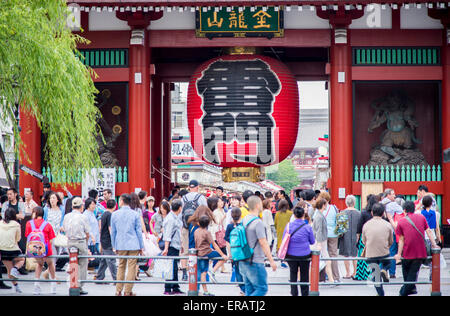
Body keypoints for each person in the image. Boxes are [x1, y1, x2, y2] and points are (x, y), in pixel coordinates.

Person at [394, 201, 439, 296]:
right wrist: (434, 244)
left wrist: (398, 253)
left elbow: (401, 240)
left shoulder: (401, 221)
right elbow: (429, 232)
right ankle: (411, 289)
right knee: (412, 273)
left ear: (404, 210)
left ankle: (403, 292)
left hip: (407, 251)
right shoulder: (421, 217)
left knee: (407, 273)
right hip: (420, 251)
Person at [238, 195, 277, 296]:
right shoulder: (258, 222)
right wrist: (271, 260)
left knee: (249, 289)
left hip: (243, 259)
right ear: (257, 205)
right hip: (255, 260)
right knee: (262, 288)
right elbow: (263, 242)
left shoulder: (243, 220)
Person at [110, 193, 144, 296]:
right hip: (133, 243)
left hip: (120, 243)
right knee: (132, 267)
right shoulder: (135, 214)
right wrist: (141, 246)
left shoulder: (115, 214)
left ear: (121, 201)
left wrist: (114, 245)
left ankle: (118, 290)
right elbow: (139, 231)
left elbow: (113, 232)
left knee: (121, 266)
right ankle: (128, 291)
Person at [362, 202, 393, 296]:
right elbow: (390, 241)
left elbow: (364, 241)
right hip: (384, 252)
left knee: (375, 274)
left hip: (371, 254)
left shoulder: (366, 225)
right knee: (388, 263)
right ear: (383, 213)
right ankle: (384, 269)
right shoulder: (387, 225)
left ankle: (381, 293)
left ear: (372, 213)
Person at [283, 205, 315, 296]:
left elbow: (284, 240)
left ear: (294, 215)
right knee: (304, 275)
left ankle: (294, 293)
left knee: (293, 273)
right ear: (303, 215)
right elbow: (312, 242)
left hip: (291, 254)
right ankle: (305, 293)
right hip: (304, 254)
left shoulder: (288, 226)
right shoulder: (307, 227)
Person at [25, 206, 57, 295]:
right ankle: (53, 285)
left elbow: (27, 235)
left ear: (35, 213)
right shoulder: (47, 224)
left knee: (39, 264)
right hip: (46, 248)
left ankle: (36, 285)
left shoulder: (29, 223)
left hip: (33, 248)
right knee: (50, 264)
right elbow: (51, 239)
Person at [180, 180, 208, 281]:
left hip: (185, 226)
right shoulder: (200, 198)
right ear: (197, 187)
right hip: (197, 227)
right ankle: (195, 270)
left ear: (189, 187)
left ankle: (184, 273)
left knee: (184, 250)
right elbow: (205, 212)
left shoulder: (184, 198)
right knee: (197, 249)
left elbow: (180, 213)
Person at [62, 197, 90, 295]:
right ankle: (79, 286)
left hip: (70, 242)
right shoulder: (83, 217)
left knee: (73, 263)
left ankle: (72, 283)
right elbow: (87, 232)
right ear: (81, 207)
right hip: (80, 242)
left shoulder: (66, 216)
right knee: (83, 264)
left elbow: (64, 229)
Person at [195, 215, 228, 296]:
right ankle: (213, 270)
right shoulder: (207, 232)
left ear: (199, 223)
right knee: (223, 258)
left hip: (199, 253)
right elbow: (214, 244)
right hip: (207, 252)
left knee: (202, 272)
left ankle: (205, 291)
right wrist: (223, 254)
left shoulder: (196, 231)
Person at [161, 199, 184, 295]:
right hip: (171, 246)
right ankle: (168, 288)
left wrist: (181, 244)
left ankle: (175, 286)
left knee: (174, 266)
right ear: (179, 208)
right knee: (170, 267)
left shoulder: (175, 217)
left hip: (175, 245)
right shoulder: (171, 219)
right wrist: (166, 248)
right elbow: (168, 234)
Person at [0, 208, 25, 293]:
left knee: (9, 269)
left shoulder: (0, 223)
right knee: (22, 259)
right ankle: (16, 268)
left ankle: (16, 286)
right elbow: (18, 238)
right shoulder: (16, 224)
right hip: (13, 249)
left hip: (2, 250)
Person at [317, 191, 340, 283]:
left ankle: (324, 277)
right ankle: (336, 277)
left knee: (323, 255)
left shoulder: (319, 209)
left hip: (323, 234)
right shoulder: (334, 208)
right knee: (333, 255)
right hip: (334, 234)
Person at [381, 188, 403, 278]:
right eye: (393, 194)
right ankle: (392, 272)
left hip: (382, 230)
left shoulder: (381, 204)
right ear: (388, 195)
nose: (394, 195)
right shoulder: (393, 204)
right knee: (392, 250)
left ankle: (383, 269)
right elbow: (402, 212)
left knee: (382, 251)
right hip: (392, 230)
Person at [311, 198, 334, 283]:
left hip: (320, 241)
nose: (327, 206)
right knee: (327, 261)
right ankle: (331, 279)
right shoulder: (320, 216)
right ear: (323, 205)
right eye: (326, 204)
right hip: (320, 242)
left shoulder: (318, 215)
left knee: (326, 261)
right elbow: (319, 230)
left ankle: (331, 279)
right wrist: (319, 243)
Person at [339, 195, 361, 279]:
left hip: (345, 236)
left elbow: (340, 228)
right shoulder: (359, 213)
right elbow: (360, 226)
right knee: (355, 255)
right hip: (356, 235)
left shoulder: (342, 213)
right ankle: (355, 272)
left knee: (346, 255)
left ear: (346, 203)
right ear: (354, 203)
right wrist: (358, 235)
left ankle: (348, 273)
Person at [95, 199, 118, 283]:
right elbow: (110, 229)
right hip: (108, 240)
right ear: (115, 206)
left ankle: (99, 277)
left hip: (103, 239)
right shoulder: (109, 215)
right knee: (111, 260)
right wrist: (114, 241)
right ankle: (116, 279)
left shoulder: (104, 213)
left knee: (104, 261)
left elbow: (101, 227)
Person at [224, 207, 245, 295]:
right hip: (244, 252)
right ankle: (246, 289)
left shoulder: (229, 226)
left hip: (235, 252)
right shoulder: (244, 225)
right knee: (246, 271)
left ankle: (243, 289)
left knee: (237, 271)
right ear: (241, 215)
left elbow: (227, 241)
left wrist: (230, 253)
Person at [274, 199, 293, 264]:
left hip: (280, 231)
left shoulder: (277, 214)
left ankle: (281, 258)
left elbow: (275, 223)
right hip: (288, 231)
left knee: (280, 243)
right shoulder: (290, 213)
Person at [83, 198, 100, 265]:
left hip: (95, 239)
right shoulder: (86, 214)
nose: (94, 206)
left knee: (95, 257)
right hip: (90, 240)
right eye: (92, 204)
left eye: (94, 204)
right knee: (92, 257)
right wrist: (92, 236)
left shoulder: (92, 214)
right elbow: (87, 227)